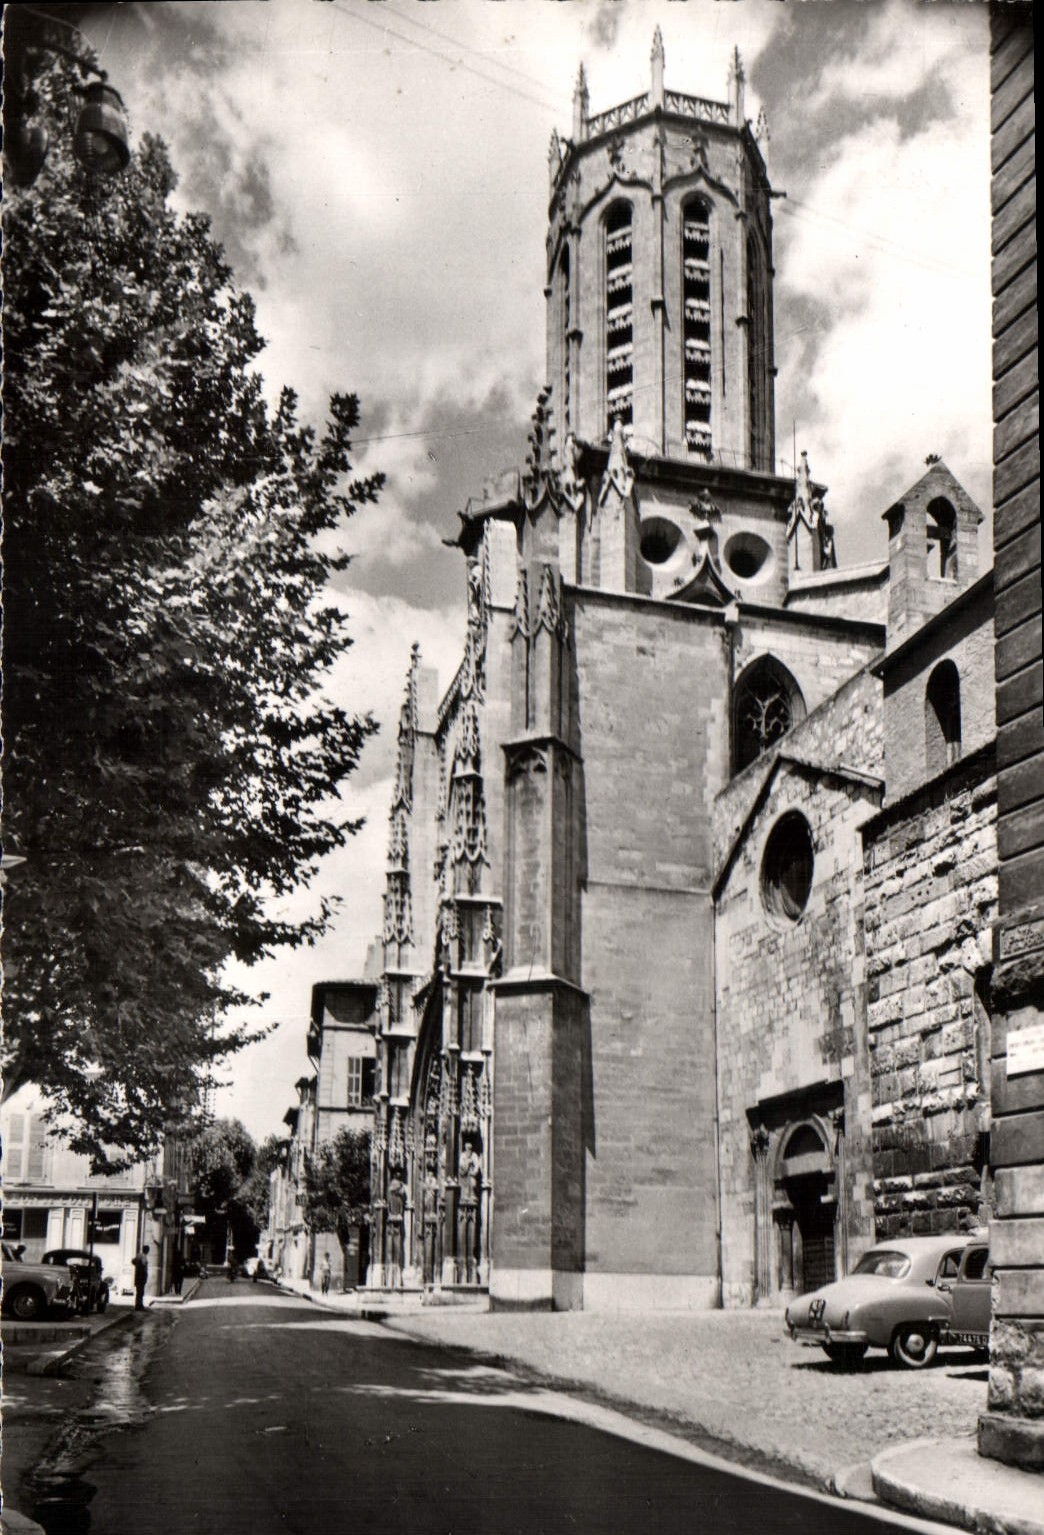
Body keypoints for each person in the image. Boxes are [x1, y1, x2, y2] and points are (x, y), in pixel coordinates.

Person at [132, 1245, 150, 1310]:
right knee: (141, 1291)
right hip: (141, 1275)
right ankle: (139, 1305)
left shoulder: (138, 1255)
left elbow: (133, 1261)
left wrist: (137, 1266)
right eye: (148, 1250)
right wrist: (142, 1269)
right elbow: (143, 1264)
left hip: (137, 1275)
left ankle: (138, 1304)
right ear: (146, 1250)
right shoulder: (143, 1256)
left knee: (139, 1291)